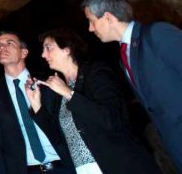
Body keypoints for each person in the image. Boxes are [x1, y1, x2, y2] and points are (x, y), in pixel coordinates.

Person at [25, 28, 160, 174]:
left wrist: (68, 93)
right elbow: (59, 140)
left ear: (67, 49)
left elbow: (111, 118)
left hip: (119, 165)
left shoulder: (96, 73)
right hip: (83, 169)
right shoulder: (59, 91)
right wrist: (36, 104)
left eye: (48, 47)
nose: (43, 54)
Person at [82, 0, 182, 171]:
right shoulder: (124, 58)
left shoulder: (157, 34)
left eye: (91, 21)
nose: (90, 28)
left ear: (108, 17)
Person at [0, 31, 72, 173]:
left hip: (62, 165)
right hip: (27, 169)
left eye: (9, 43)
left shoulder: (47, 83)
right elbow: (0, 139)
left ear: (24, 52)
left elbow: (63, 123)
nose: (2, 48)